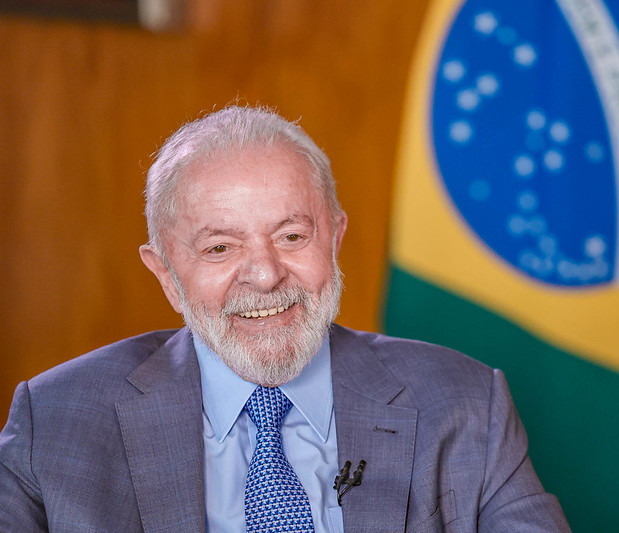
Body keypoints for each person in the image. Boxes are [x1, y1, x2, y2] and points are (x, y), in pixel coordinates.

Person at [0, 106, 570, 532]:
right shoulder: (54, 422)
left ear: (335, 239)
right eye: (220, 248)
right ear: (167, 274)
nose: (266, 275)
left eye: (292, 236)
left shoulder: (467, 405)